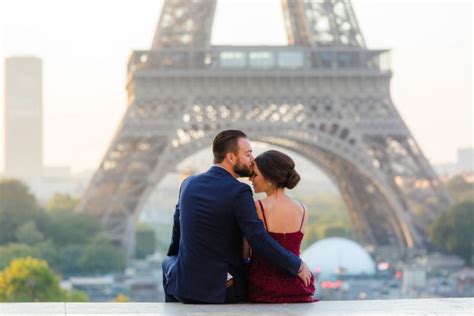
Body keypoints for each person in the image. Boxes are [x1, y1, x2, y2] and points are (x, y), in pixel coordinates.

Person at [162, 130, 312, 304]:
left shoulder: (188, 183)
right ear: (231, 158)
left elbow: (177, 230)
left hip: (186, 286)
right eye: (248, 154)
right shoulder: (239, 191)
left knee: (169, 260)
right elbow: (257, 238)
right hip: (225, 289)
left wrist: (183, 261)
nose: (252, 160)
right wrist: (297, 265)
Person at [244, 150, 317, 303]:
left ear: (269, 177)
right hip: (297, 286)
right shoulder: (303, 209)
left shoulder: (257, 207)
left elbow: (246, 252)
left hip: (263, 287)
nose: (251, 179)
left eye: (255, 174)